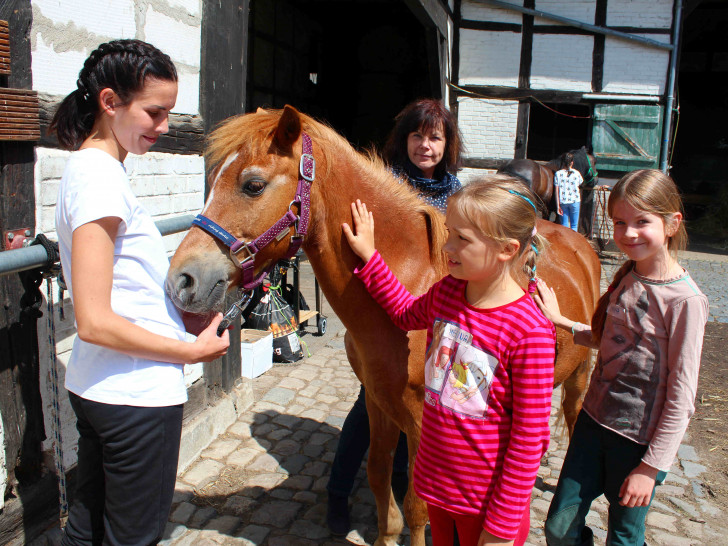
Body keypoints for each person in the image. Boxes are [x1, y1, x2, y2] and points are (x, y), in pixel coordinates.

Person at [50, 39, 230, 545]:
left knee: (88, 530)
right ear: (110, 102)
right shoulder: (101, 180)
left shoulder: (92, 171)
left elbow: (118, 289)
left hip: (102, 386)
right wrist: (189, 351)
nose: (164, 126)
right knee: (133, 537)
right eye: (154, 112)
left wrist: (176, 314)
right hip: (134, 397)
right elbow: (94, 320)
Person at [341, 176, 556, 545]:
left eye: (462, 239)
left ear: (507, 249)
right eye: (448, 232)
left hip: (485, 506)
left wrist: (502, 527)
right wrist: (370, 257)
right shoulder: (448, 292)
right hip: (437, 487)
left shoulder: (529, 332)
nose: (447, 246)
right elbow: (406, 312)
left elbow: (530, 436)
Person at [534, 169, 709, 546]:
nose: (628, 233)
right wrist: (560, 320)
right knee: (558, 528)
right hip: (592, 425)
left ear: (672, 223)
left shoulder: (685, 302)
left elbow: (682, 399)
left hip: (637, 443)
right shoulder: (627, 275)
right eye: (619, 222)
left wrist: (650, 468)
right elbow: (609, 341)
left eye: (642, 222)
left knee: (625, 537)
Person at [326, 98, 463, 535]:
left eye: (435, 137)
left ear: (447, 144)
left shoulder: (457, 192)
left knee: (414, 418)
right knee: (366, 413)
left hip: (434, 311)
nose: (426, 145)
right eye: (417, 135)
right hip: (385, 309)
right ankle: (336, 492)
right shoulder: (382, 185)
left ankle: (408, 499)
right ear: (404, 139)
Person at [553, 152, 583, 231]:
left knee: (564, 226)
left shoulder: (558, 174)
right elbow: (580, 183)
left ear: (563, 162)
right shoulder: (577, 173)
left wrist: (557, 206)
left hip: (563, 202)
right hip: (575, 201)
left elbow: (556, 191)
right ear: (572, 163)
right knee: (574, 225)